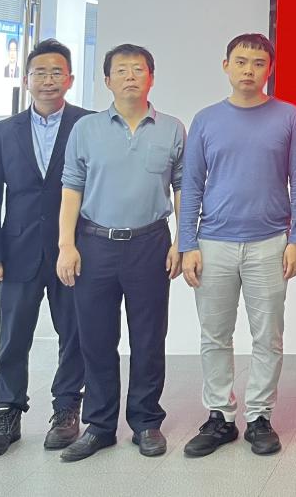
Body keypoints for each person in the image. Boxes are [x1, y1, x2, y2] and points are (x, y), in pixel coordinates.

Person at [178, 33, 296, 458]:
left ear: (270, 69)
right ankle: (219, 415)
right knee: (214, 335)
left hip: (270, 242)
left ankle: (259, 417)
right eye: (240, 61)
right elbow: (191, 185)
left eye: (257, 63)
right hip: (213, 242)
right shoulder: (205, 120)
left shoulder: (289, 117)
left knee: (267, 336)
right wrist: (187, 243)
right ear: (226, 66)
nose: (248, 70)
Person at [55, 43, 185, 462]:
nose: (131, 76)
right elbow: (71, 188)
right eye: (122, 70)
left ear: (152, 77)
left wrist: (183, 241)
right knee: (96, 338)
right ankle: (100, 426)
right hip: (94, 244)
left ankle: (146, 422)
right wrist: (66, 245)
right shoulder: (86, 129)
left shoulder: (171, 128)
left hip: (151, 243)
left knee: (148, 338)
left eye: (139, 69)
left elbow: (182, 187)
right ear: (107, 80)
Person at [0, 38, 92, 457]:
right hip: (17, 251)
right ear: (26, 80)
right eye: (40, 73)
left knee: (73, 334)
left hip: (72, 250)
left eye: (57, 72)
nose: (48, 80)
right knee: (13, 337)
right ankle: (7, 413)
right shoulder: (2, 133)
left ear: (70, 79)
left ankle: (66, 410)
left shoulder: (88, 125)